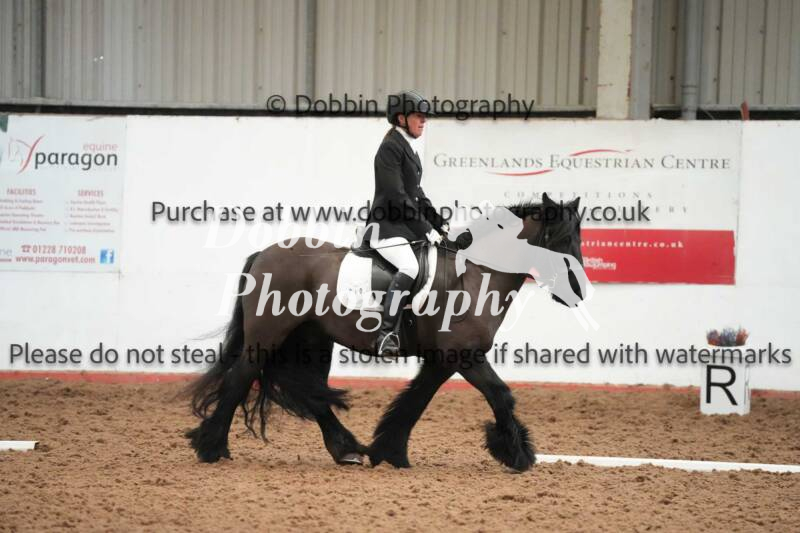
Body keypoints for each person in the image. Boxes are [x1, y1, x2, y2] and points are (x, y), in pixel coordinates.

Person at [364, 90, 448, 357]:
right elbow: (396, 196)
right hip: (386, 228)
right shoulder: (390, 148)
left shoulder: (408, 148)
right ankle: (386, 334)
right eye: (418, 116)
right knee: (410, 266)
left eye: (425, 117)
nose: (424, 121)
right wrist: (425, 229)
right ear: (401, 118)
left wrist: (438, 222)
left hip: (403, 229)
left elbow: (416, 194)